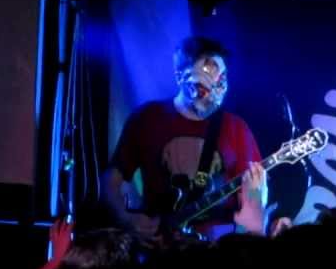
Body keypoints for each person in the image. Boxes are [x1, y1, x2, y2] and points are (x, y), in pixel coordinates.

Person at [103, 36, 268, 243]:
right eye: (203, 88)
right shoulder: (147, 118)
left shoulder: (236, 128)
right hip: (158, 244)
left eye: (220, 84)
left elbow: (256, 185)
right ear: (180, 76)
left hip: (219, 247)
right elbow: (111, 180)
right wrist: (127, 218)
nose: (213, 96)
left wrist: (254, 217)